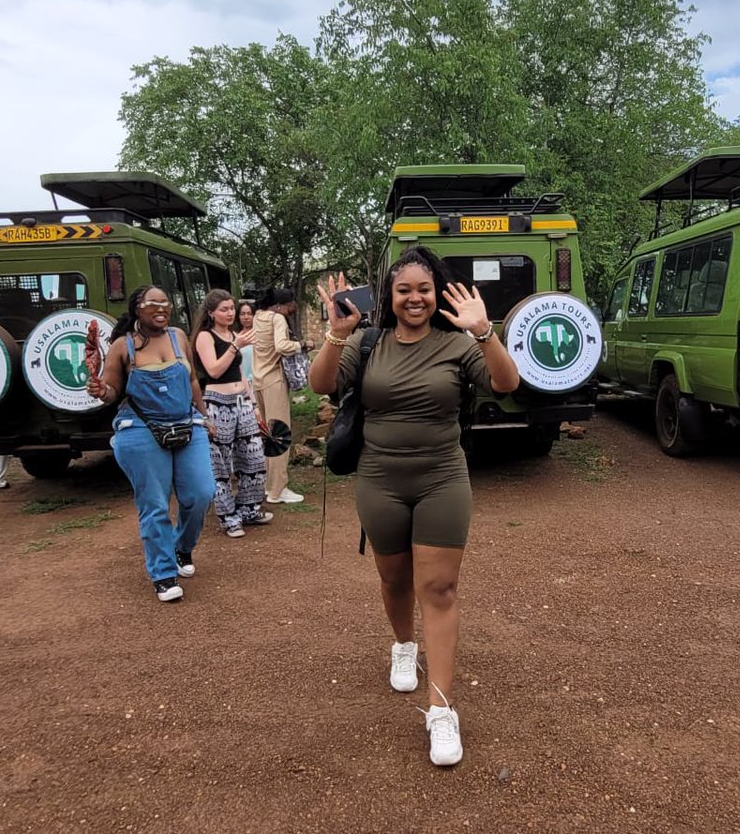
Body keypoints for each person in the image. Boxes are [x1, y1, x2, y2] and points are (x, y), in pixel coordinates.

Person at [309, 246, 520, 767]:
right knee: (394, 578)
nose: (415, 298)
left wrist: (484, 330)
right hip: (379, 478)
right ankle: (404, 644)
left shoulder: (457, 344)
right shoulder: (368, 341)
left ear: (438, 291)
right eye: (404, 290)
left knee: (440, 588)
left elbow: (507, 383)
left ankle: (441, 710)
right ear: (390, 295)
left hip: (442, 477)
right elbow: (320, 384)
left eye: (424, 289)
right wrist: (337, 330)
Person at [87, 285, 216, 603]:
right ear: (137, 308)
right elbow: (112, 391)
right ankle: (163, 573)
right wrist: (100, 390)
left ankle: (182, 548)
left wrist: (204, 415)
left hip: (187, 423)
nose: (161, 308)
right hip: (141, 429)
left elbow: (191, 380)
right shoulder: (122, 346)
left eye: (165, 302)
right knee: (155, 504)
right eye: (152, 303)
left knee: (201, 493)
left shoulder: (178, 337)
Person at [191, 289, 273, 538]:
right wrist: (235, 346)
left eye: (231, 308)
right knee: (221, 463)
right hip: (217, 402)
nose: (230, 313)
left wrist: (254, 404)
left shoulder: (235, 334)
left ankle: (249, 508)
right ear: (211, 313)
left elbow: (240, 374)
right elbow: (214, 370)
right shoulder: (205, 336)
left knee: (254, 458)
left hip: (241, 401)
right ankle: (228, 516)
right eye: (224, 309)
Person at [252, 287, 314, 504]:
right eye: (290, 306)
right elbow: (282, 346)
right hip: (274, 381)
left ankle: (269, 485)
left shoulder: (258, 316)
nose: (291, 309)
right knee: (280, 435)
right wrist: (303, 344)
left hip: (258, 380)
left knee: (267, 435)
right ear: (280, 305)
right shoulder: (277, 318)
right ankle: (278, 490)